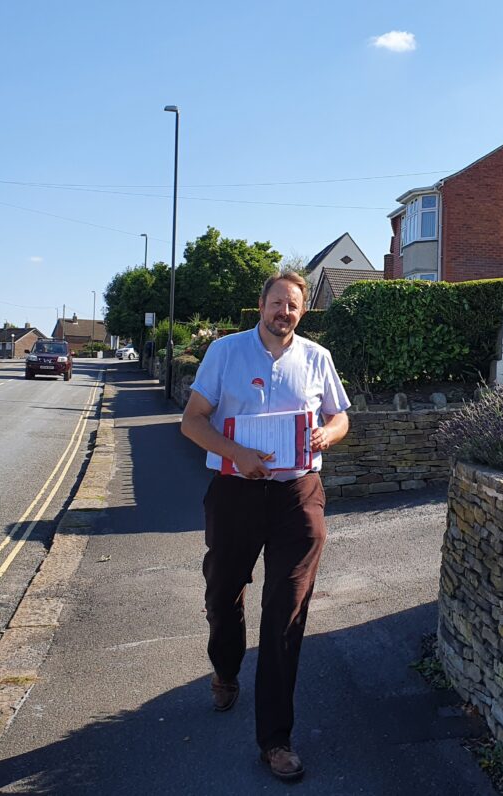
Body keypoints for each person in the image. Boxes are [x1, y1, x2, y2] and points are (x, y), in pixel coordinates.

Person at [180, 271, 350, 782]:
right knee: (223, 593)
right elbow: (192, 420)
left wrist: (327, 435)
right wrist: (237, 453)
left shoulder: (317, 357)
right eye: (277, 303)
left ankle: (276, 740)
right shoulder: (225, 352)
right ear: (261, 305)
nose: (284, 312)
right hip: (236, 492)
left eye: (293, 305)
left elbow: (340, 417)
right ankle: (226, 669)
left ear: (302, 311)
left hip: (298, 495)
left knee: (285, 611)